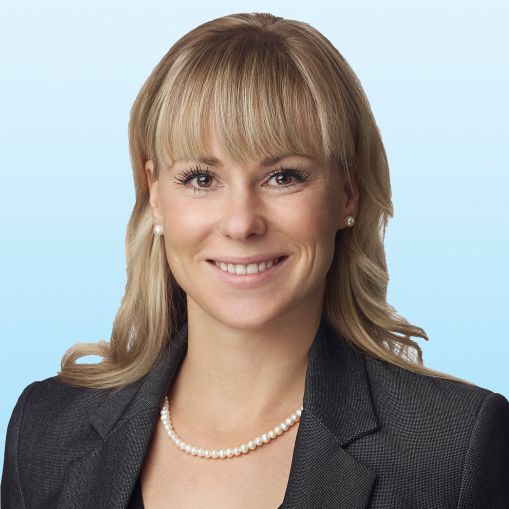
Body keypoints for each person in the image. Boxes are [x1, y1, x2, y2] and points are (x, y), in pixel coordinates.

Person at [2, 11, 508, 509]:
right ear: (154, 192)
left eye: (283, 176)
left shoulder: (453, 449)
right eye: (202, 178)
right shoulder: (43, 432)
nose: (241, 222)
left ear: (348, 191)